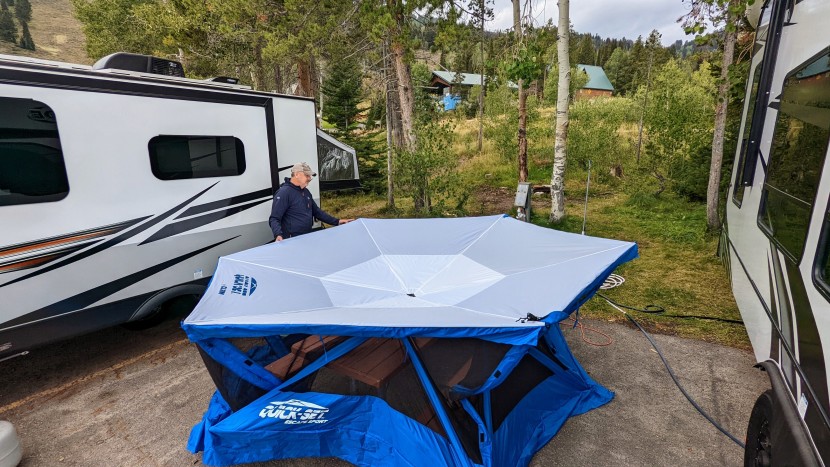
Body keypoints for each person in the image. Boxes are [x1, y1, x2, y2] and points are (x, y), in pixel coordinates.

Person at [269, 162, 353, 241]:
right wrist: (278, 234)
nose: (310, 178)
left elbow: (317, 212)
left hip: (306, 237)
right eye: (307, 175)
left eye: (310, 176)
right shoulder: (284, 193)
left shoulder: (306, 192)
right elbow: (274, 218)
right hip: (291, 240)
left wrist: (337, 221)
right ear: (297, 174)